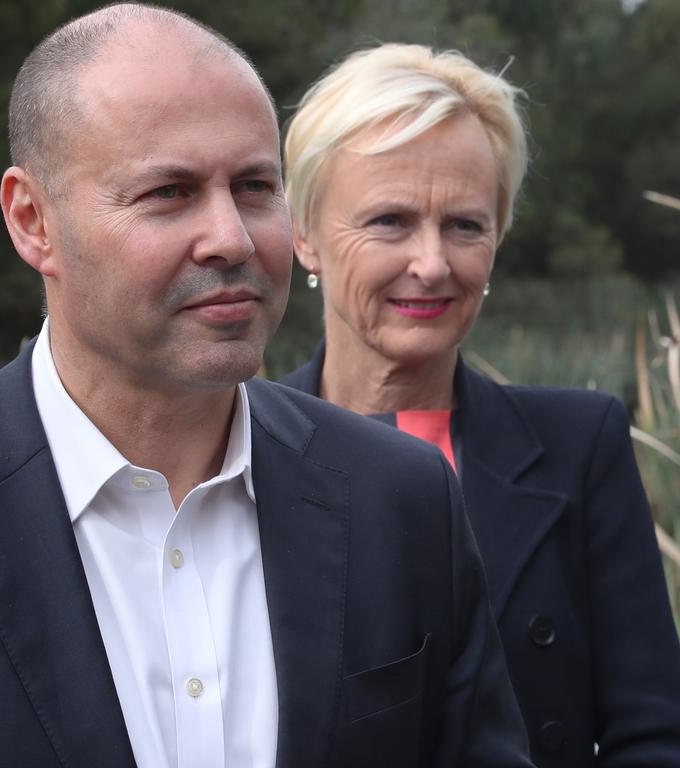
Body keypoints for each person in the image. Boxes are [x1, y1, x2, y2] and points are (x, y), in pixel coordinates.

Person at [0, 9, 533, 767]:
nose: (230, 237)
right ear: (32, 221)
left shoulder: (403, 501)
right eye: (168, 193)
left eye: (255, 187)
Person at [280, 43, 680, 767]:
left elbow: (652, 736)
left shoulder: (579, 444)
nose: (433, 263)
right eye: (390, 221)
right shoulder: (237, 445)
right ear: (305, 236)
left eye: (465, 225)